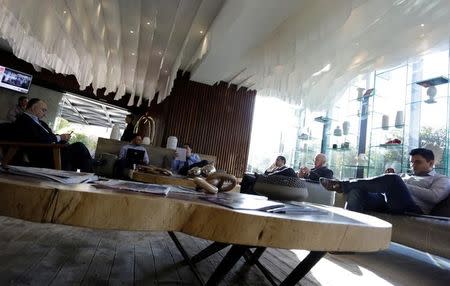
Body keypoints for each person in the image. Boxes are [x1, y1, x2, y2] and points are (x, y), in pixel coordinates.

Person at [319, 148, 450, 215]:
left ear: (431, 163)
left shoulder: (441, 179)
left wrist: (400, 183)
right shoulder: (405, 175)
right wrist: (393, 178)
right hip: (387, 201)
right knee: (357, 191)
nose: (413, 166)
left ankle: (341, 185)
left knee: (394, 178)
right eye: (412, 162)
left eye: (418, 162)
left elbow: (434, 197)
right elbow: (388, 185)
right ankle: (346, 235)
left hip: (413, 208)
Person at [13, 98, 93, 172]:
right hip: (44, 154)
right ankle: (91, 169)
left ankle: (90, 169)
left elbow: (50, 136)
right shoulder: (23, 120)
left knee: (79, 156)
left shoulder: (41, 123)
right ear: (33, 107)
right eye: (43, 110)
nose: (44, 114)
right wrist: (60, 137)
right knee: (79, 146)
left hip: (53, 149)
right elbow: (40, 138)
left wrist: (61, 138)